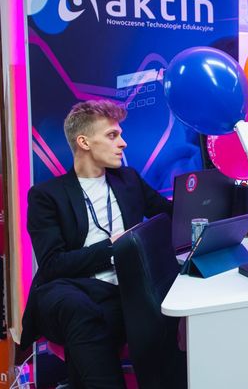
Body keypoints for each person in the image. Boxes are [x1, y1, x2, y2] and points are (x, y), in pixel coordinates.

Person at [20, 100, 177, 388]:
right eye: (112, 135)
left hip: (120, 287)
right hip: (67, 286)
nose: (123, 143)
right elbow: (53, 265)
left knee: (110, 320)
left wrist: (202, 201)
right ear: (84, 142)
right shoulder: (46, 195)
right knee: (79, 309)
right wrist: (112, 249)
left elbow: (169, 213)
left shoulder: (128, 180)